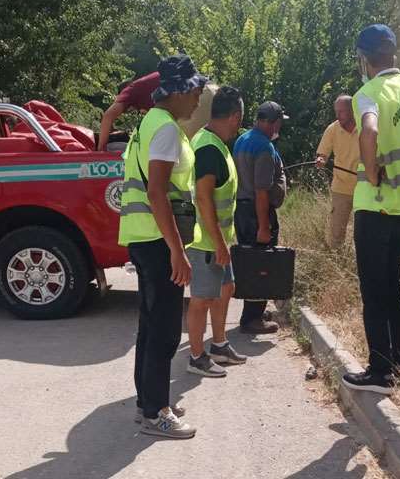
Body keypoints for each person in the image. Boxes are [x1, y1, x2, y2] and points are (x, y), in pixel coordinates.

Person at [341, 24, 400, 396]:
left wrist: (371, 170)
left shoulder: (368, 93)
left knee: (373, 290)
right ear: (393, 53)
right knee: (393, 288)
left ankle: (380, 371)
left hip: (376, 211)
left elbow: (369, 130)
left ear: (364, 58)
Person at [118, 54, 206, 439]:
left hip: (143, 236)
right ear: (181, 91)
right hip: (157, 241)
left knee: (149, 325)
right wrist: (177, 249)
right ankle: (157, 413)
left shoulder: (149, 123)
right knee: (166, 330)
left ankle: (147, 403)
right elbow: (156, 191)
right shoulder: (167, 129)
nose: (198, 99)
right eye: (196, 91)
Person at [185, 86, 248, 377]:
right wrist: (220, 244)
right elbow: (203, 198)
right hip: (206, 241)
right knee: (202, 299)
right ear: (235, 116)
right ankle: (197, 356)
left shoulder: (215, 143)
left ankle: (220, 345)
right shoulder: (209, 148)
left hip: (218, 239)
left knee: (225, 289)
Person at [232, 101, 288, 334]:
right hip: (257, 211)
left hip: (242, 210)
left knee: (249, 261)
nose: (280, 127)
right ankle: (252, 319)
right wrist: (264, 226)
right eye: (279, 123)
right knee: (261, 265)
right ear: (272, 122)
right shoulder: (264, 147)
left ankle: (253, 310)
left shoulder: (242, 139)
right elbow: (261, 191)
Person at [98, 72, 217, 151]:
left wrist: (100, 151)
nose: (129, 111)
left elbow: (108, 116)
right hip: (211, 89)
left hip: (197, 95)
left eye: (127, 109)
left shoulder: (131, 90)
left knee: (186, 149)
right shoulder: (150, 88)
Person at [315, 95, 360, 248]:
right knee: (336, 231)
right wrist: (321, 159)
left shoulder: (365, 127)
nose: (338, 115)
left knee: (364, 231)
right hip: (341, 188)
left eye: (342, 111)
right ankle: (334, 261)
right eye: (337, 111)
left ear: (353, 110)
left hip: (365, 188)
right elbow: (323, 153)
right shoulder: (332, 129)